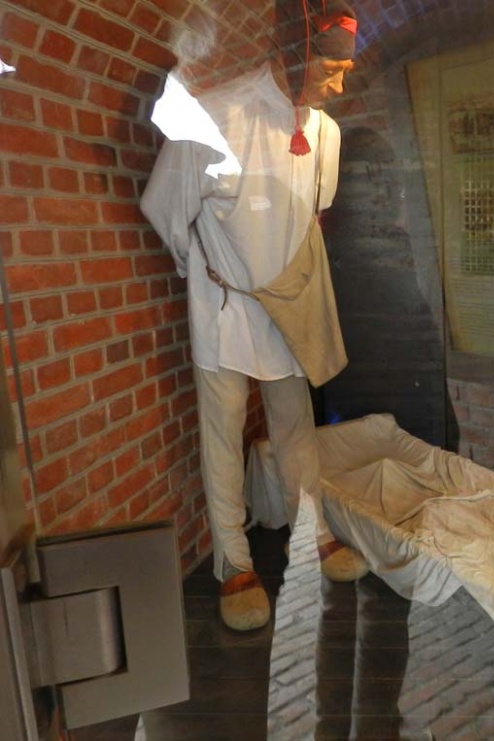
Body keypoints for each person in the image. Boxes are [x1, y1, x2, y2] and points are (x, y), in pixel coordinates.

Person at [141, 0, 368, 632]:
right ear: (296, 52)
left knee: (296, 424)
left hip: (286, 304)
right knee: (222, 431)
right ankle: (234, 563)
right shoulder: (214, 116)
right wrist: (203, 271)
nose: (337, 86)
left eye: (345, 71)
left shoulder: (326, 133)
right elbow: (164, 207)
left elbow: (313, 209)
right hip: (223, 306)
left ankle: (312, 532)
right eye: (329, 68)